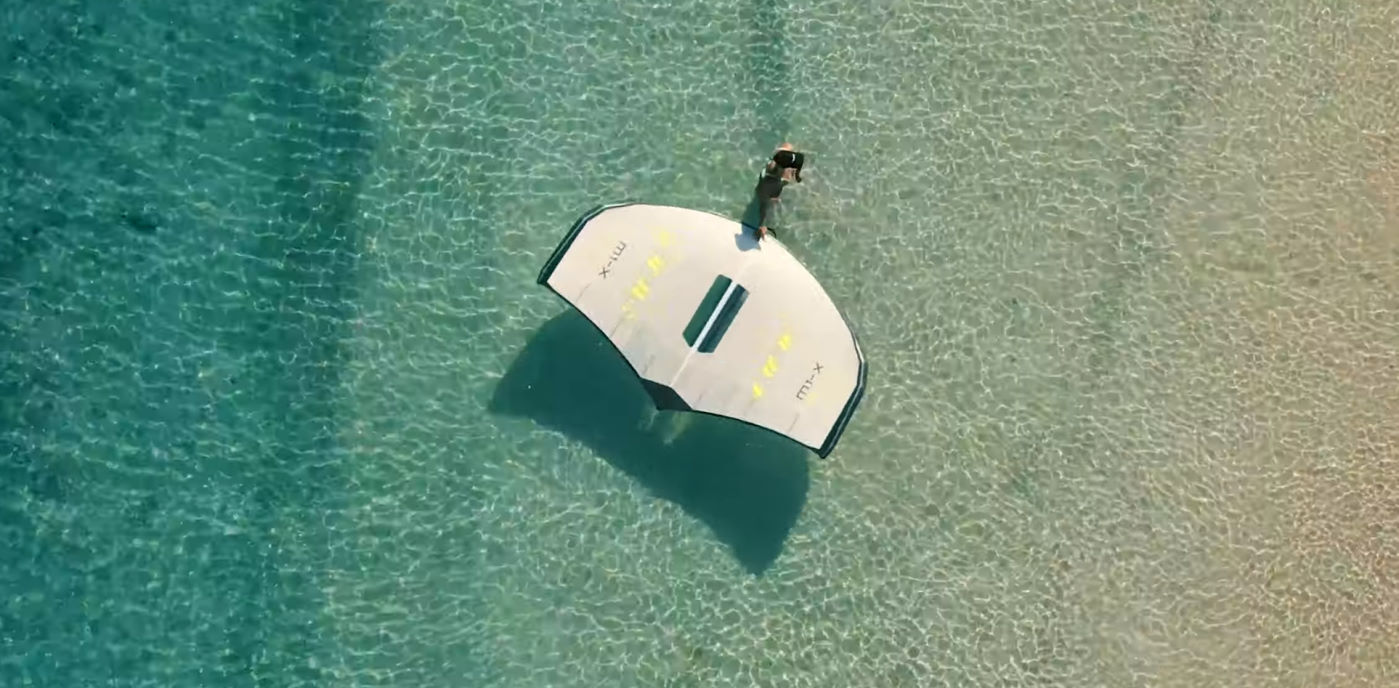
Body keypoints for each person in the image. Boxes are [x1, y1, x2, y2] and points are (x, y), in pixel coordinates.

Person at [753, 143, 805, 239]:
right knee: (769, 203)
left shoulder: (779, 156)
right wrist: (762, 225)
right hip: (769, 189)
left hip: (768, 183)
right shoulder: (778, 183)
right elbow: (765, 206)